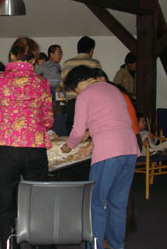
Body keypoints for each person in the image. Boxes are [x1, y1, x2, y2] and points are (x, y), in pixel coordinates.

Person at [0, 37, 54, 249]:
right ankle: (43, 245)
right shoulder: (42, 82)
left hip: (8, 151)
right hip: (35, 150)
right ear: (33, 59)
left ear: (11, 55)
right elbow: (48, 121)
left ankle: (12, 247)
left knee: (6, 206)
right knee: (38, 202)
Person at [61, 65, 139, 249]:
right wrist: (90, 146)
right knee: (118, 204)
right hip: (129, 150)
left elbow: (78, 130)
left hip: (108, 154)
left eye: (75, 89)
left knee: (95, 204)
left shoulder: (85, 95)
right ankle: (116, 245)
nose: (76, 92)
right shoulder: (114, 89)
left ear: (79, 83)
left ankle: (93, 246)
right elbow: (112, 123)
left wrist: (67, 146)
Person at [61, 36, 102, 133]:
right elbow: (100, 85)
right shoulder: (94, 63)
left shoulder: (67, 63)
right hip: (90, 103)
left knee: (72, 130)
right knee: (89, 130)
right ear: (91, 50)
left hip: (72, 103)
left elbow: (63, 85)